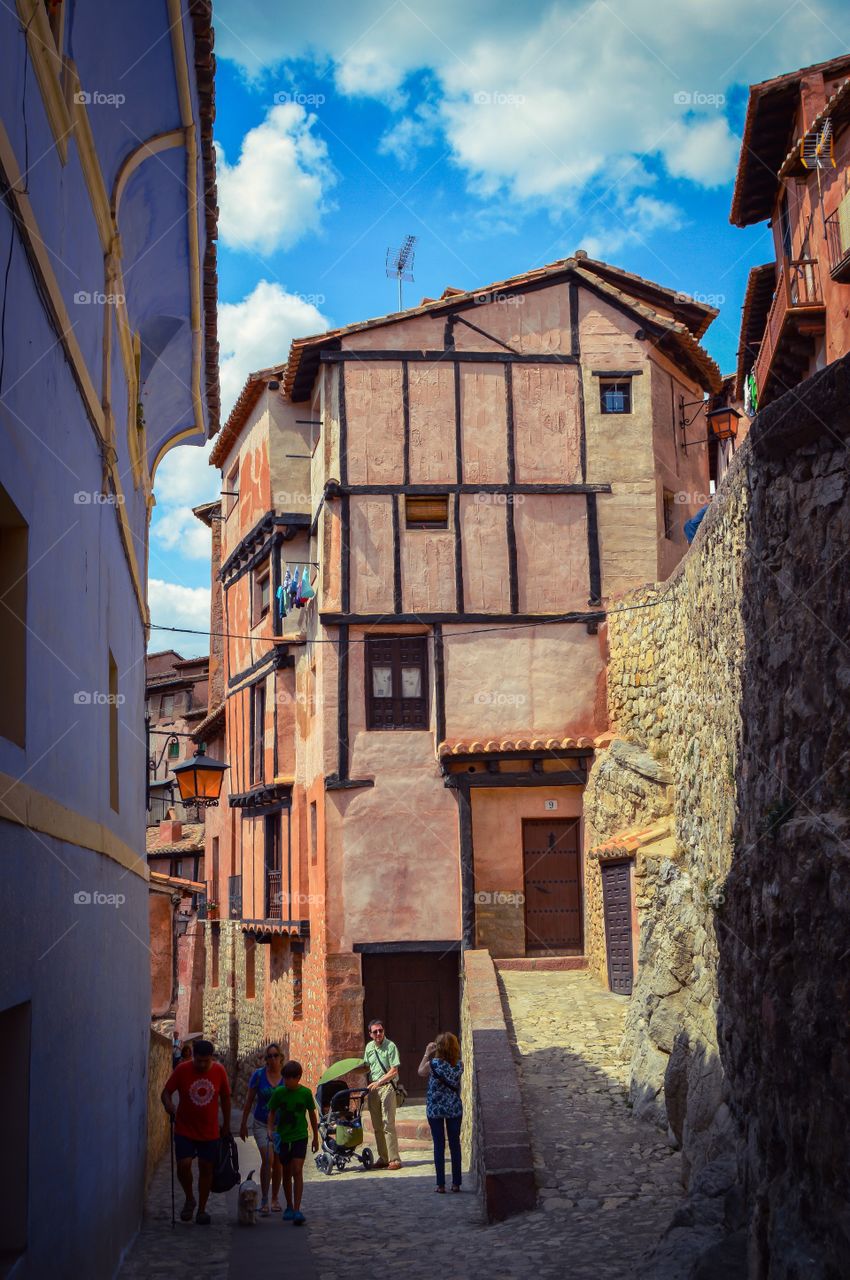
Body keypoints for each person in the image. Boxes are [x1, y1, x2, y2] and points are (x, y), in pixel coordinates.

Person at [161, 1039, 231, 1225]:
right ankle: (190, 1198)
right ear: (193, 1056)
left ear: (211, 1058)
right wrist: (169, 1105)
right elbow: (166, 1092)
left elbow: (226, 1098)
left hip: (209, 1130)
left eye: (206, 1061)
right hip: (184, 1128)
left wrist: (226, 1124)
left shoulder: (219, 1071)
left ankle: (201, 1209)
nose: (202, 1065)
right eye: (199, 1060)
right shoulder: (182, 1070)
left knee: (206, 1168)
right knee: (183, 1165)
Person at [266, 1060, 319, 1225]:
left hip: (300, 1136)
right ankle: (289, 1205)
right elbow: (272, 1112)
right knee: (287, 1172)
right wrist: (270, 1129)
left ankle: (297, 1209)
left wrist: (315, 1137)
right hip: (283, 1137)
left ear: (298, 1078)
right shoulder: (279, 1093)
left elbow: (312, 1115)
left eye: (290, 1078)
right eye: (285, 1078)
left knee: (297, 1170)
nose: (286, 1081)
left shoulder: (305, 1093)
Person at [239, 1043, 284, 1216]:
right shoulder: (258, 1075)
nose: (272, 1059)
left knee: (278, 1162)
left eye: (275, 1055)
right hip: (261, 1124)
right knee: (268, 1158)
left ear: (281, 1057)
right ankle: (265, 1198)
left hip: (281, 1126)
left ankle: (275, 1198)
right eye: (269, 1056)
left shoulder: (285, 1076)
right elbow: (249, 1100)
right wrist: (243, 1124)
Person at [418, 1032, 464, 1193]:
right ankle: (456, 1183)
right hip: (454, 1108)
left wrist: (427, 1053)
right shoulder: (459, 1065)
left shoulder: (433, 1064)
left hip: (435, 1109)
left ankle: (441, 1185)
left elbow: (420, 1071)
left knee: (439, 1145)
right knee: (455, 1145)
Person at [364, 1018, 402, 1171]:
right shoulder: (369, 1047)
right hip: (374, 1089)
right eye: (375, 1032)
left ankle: (394, 1159)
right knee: (377, 1125)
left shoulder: (390, 1046)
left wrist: (379, 1081)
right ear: (370, 1034)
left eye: (380, 1030)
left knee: (388, 1124)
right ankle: (383, 1158)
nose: (378, 1033)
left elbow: (394, 1071)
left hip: (387, 1087)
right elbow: (367, 1067)